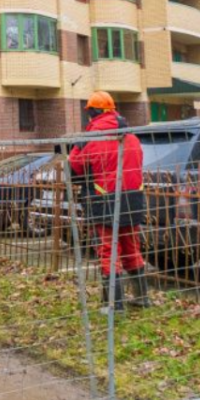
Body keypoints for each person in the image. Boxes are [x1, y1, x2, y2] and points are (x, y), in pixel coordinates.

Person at [68, 91, 150, 311]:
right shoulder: (131, 136)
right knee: (132, 248)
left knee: (108, 250)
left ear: (93, 113)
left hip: (104, 200)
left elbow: (73, 166)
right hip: (132, 200)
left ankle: (114, 304)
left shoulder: (90, 139)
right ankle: (142, 297)